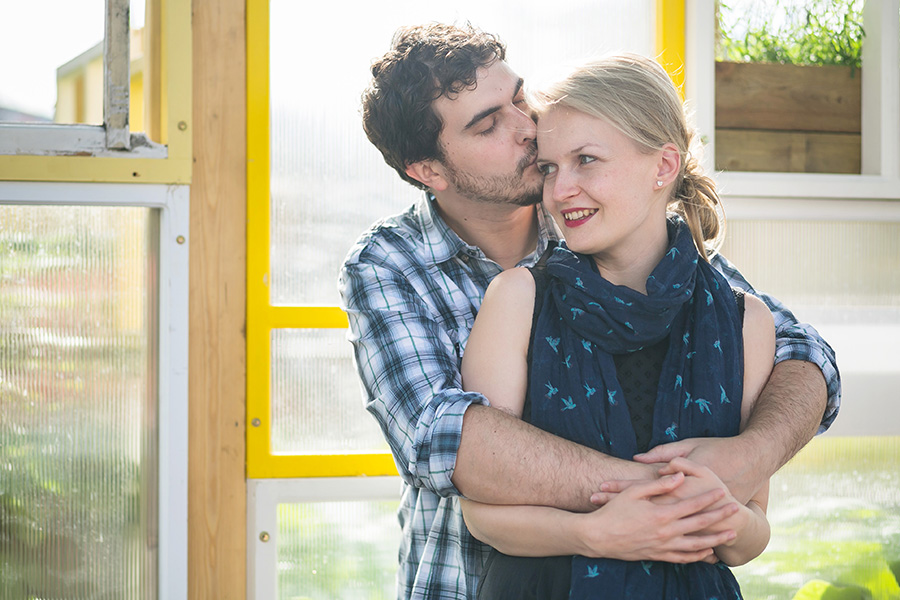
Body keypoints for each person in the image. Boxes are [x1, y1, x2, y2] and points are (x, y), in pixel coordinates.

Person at [338, 22, 840, 600]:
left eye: (518, 98)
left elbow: (801, 351)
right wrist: (679, 494)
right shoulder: (388, 265)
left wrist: (753, 455)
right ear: (429, 171)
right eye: (489, 123)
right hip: (474, 584)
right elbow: (444, 440)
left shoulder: (599, 220)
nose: (527, 128)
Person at [459, 52, 772, 600]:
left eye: (586, 160)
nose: (559, 192)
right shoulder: (517, 299)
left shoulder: (747, 321)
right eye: (551, 168)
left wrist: (721, 513)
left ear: (663, 167)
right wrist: (593, 534)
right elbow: (481, 512)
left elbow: (752, 534)